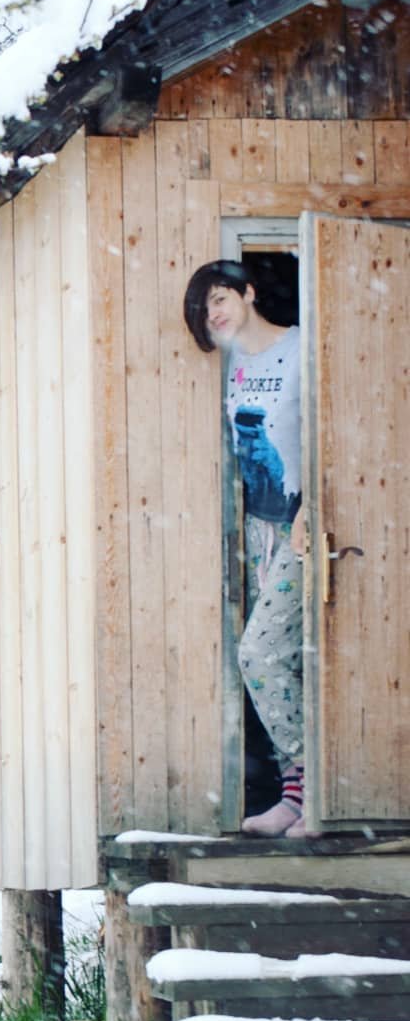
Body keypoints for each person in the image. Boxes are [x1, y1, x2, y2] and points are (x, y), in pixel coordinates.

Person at [183, 260, 307, 838]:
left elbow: (333, 427)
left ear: (249, 292)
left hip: (304, 526)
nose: (216, 313)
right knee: (285, 656)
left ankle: (315, 785)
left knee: (259, 654)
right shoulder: (234, 364)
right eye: (207, 309)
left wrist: (314, 507)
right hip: (259, 528)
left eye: (221, 298)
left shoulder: (304, 347)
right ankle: (299, 792)